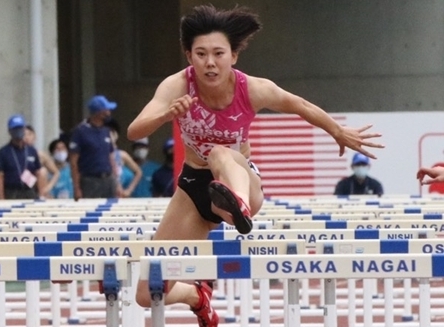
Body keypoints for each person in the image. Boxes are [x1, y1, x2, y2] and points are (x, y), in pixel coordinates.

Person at [126, 5, 384, 326]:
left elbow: (299, 105)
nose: (210, 62)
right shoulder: (176, 86)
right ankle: (198, 296)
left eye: (219, 53)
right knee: (145, 290)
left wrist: (338, 131)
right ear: (189, 56)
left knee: (219, 154)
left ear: (233, 56)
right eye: (201, 54)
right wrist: (165, 115)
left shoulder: (253, 88)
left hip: (241, 179)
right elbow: (134, 130)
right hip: (194, 187)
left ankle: (238, 206)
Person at [69, 95, 121, 200]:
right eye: (106, 110)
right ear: (99, 112)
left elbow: (111, 157)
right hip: (90, 180)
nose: (109, 113)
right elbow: (73, 162)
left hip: (108, 179)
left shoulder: (106, 131)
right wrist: (77, 187)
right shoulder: (80, 131)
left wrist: (117, 183)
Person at [0, 114, 44, 200]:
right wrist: (1, 199)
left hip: (29, 191)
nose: (18, 131)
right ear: (9, 131)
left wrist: (41, 194)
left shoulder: (32, 151)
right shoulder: (3, 152)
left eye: (20, 128)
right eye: (15, 129)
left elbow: (38, 173)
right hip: (11, 192)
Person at [105, 119, 143, 197]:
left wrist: (129, 190)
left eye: (112, 132)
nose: (109, 134)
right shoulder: (98, 155)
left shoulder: (122, 155)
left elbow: (138, 172)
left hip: (119, 195)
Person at [24, 125, 60, 198]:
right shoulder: (16, 155)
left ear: (34, 137)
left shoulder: (40, 155)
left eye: (29, 134)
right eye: (24, 135)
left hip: (41, 189)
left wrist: (48, 187)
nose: (27, 137)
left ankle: (42, 196)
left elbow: (56, 173)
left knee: (43, 171)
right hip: (25, 187)